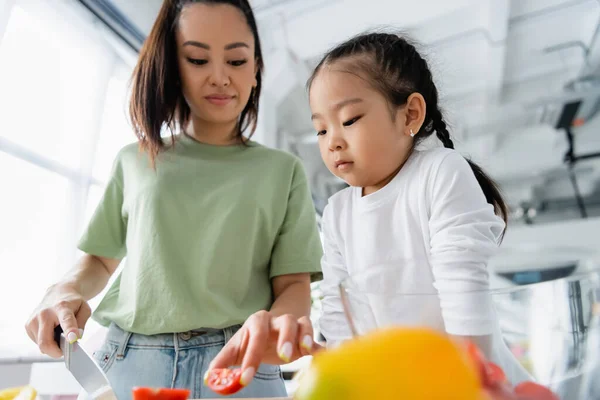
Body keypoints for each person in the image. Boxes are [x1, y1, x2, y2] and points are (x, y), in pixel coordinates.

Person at [24, 0, 322, 398]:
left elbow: (294, 285)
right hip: (131, 361)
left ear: (256, 70)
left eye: (236, 61)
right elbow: (98, 260)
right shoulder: (134, 160)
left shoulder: (283, 171)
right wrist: (62, 290)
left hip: (240, 368)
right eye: (198, 59)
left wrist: (277, 327)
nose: (220, 77)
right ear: (173, 68)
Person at [211, 31, 531, 387]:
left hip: (471, 382)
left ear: (410, 114)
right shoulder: (337, 212)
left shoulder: (440, 172)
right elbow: (340, 323)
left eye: (348, 120)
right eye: (320, 130)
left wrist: (464, 385)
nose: (332, 140)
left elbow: (466, 302)